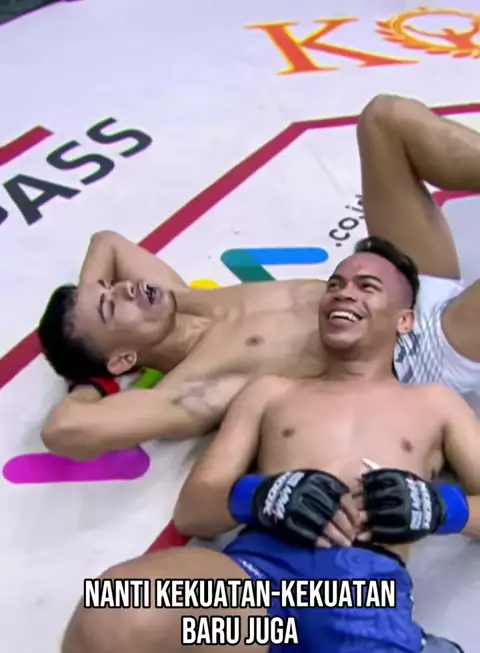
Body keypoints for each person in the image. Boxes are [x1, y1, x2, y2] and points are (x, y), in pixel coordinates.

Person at [59, 242, 479, 653]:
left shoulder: (434, 404)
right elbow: (195, 507)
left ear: (406, 319)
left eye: (367, 287)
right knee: (110, 614)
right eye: (337, 283)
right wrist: (262, 495)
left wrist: (441, 508)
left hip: (366, 617)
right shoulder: (271, 393)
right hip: (258, 599)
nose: (344, 293)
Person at [39, 94, 480, 461]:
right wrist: (93, 380)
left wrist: (94, 301)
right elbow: (64, 430)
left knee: (384, 120)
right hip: (425, 348)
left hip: (399, 282)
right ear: (122, 360)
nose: (126, 288)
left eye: (111, 286)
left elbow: (107, 243)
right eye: (112, 305)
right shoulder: (192, 390)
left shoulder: (179, 299)